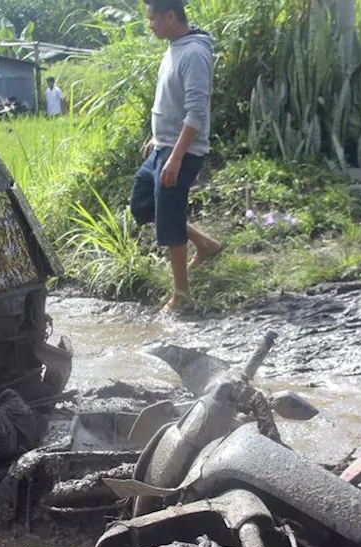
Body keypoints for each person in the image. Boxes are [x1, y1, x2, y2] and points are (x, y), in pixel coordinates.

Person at [129, 0, 223, 314]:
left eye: (153, 18)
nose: (150, 24)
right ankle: (205, 244)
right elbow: (172, 101)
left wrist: (176, 157)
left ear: (171, 16)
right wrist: (157, 137)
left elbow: (197, 112)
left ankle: (181, 296)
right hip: (164, 145)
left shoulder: (194, 53)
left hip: (183, 150)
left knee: (168, 214)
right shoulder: (174, 47)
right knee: (143, 202)